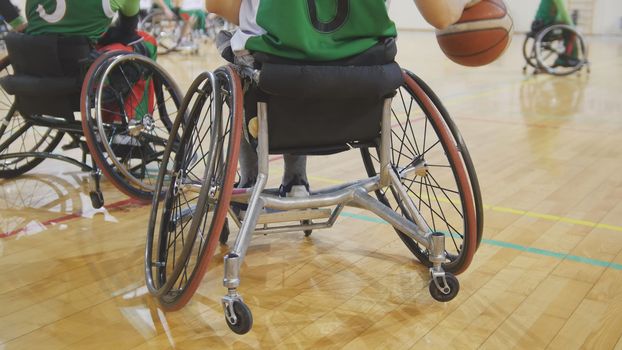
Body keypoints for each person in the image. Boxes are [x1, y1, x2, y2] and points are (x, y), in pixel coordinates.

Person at [205, 0, 480, 199]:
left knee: (248, 60)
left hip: (281, 77)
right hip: (364, 81)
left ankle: (251, 180)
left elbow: (217, 4)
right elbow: (442, 15)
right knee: (302, 57)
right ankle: (296, 180)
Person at [531, 0, 579, 67]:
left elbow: (559, 16)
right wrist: (572, 27)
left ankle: (569, 58)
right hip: (545, 27)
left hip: (538, 25)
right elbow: (563, 14)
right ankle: (566, 59)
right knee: (571, 32)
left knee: (567, 29)